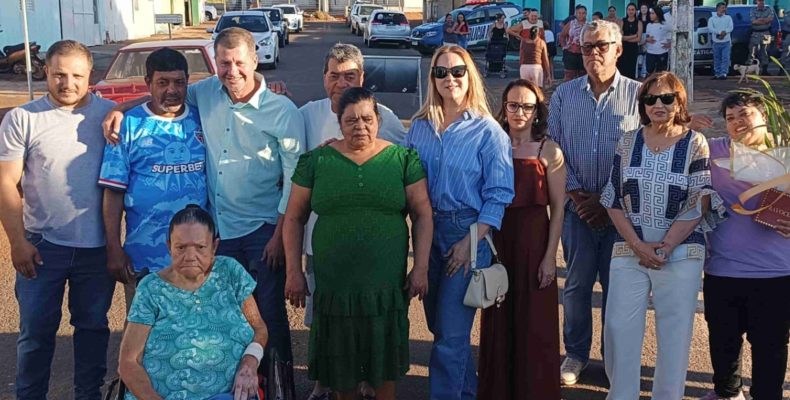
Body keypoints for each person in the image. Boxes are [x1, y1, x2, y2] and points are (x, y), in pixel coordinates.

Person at [103, 27, 306, 382]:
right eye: (224, 63)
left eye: (239, 62)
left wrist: (279, 238)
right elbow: (164, 96)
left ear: (255, 60)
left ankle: (278, 384)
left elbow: (294, 180)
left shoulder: (282, 111)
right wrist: (121, 108)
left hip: (262, 229)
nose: (232, 71)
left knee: (269, 314)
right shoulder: (207, 92)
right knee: (221, 315)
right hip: (217, 234)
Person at [283, 88, 433, 400]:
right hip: (335, 286)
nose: (359, 125)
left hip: (385, 284)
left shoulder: (403, 159)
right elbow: (294, 217)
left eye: (367, 118)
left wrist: (420, 267)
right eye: (350, 120)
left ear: (379, 120)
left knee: (384, 367)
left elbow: (422, 214)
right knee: (342, 369)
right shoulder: (315, 161)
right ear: (339, 123)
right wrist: (293, 271)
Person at [0, 40, 116, 400]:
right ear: (45, 72)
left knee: (93, 329)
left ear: (90, 75)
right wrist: (18, 242)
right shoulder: (23, 118)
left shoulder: (110, 114)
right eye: (60, 74)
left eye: (77, 75)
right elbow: (6, 181)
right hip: (41, 246)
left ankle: (88, 395)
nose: (68, 83)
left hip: (96, 250)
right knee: (35, 333)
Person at [601, 71, 726, 400]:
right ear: (642, 104)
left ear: (679, 102)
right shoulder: (628, 141)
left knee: (674, 333)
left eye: (666, 98)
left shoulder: (694, 142)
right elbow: (613, 199)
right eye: (651, 98)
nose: (658, 104)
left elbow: (700, 198)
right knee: (618, 328)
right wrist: (639, 246)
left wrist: (667, 245)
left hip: (681, 252)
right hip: (630, 248)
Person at [298, 42, 407, 400]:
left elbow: (400, 167)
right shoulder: (306, 114)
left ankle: (367, 378)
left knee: (373, 321)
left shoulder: (385, 117)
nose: (341, 83)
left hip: (378, 252)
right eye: (334, 75)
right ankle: (324, 381)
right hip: (322, 240)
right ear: (324, 77)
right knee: (325, 316)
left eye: (350, 76)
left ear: (361, 77)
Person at [407, 45, 514, 400]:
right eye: (441, 72)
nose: (449, 78)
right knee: (441, 330)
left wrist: (471, 242)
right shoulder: (419, 128)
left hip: (466, 232)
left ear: (469, 76)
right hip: (426, 232)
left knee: (452, 337)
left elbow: (499, 194)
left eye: (457, 71)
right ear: (432, 78)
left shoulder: (488, 132)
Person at [119, 205, 269, 399]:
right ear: (169, 246)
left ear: (214, 246)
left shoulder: (230, 271)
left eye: (200, 247)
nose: (190, 257)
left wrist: (250, 361)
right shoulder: (151, 288)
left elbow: (260, 329)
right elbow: (128, 362)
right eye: (181, 248)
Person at [478, 79, 566, 400]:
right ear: (504, 107)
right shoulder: (491, 144)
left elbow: (558, 210)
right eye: (513, 105)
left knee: (534, 323)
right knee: (498, 317)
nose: (519, 112)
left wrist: (549, 258)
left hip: (533, 243)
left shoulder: (549, 150)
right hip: (497, 241)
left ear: (537, 111)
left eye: (527, 106)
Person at [100, 48, 207, 311]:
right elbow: (113, 193)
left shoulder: (203, 118)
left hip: (198, 259)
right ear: (148, 83)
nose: (172, 90)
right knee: (142, 338)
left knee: (195, 336)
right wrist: (113, 247)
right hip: (144, 259)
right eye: (163, 82)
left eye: (179, 82)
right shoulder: (127, 125)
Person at [699, 93, 790, 400]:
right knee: (723, 340)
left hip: (776, 273)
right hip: (723, 268)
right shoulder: (713, 152)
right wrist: (685, 123)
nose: (738, 122)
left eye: (745, 114)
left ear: (764, 116)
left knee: (771, 345)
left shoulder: (786, 155)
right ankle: (727, 393)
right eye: (731, 118)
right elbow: (670, 145)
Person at [559, 5, 588, 80]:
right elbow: (562, 36)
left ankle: (581, 91)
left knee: (583, 76)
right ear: (576, 13)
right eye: (579, 13)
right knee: (569, 75)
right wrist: (564, 47)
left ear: (586, 14)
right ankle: (567, 91)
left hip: (583, 54)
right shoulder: (570, 24)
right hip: (570, 53)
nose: (581, 15)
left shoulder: (589, 25)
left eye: (583, 13)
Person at [618, 3, 643, 79]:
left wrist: (626, 38)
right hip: (623, 49)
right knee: (622, 68)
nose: (631, 11)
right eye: (629, 9)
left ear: (635, 11)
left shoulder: (639, 22)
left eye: (632, 9)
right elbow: (620, 37)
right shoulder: (622, 21)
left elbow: (638, 39)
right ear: (626, 11)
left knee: (631, 68)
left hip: (633, 49)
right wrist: (634, 36)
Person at [749, 0, 775, 75]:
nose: (761, 3)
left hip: (766, 33)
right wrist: (764, 20)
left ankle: (765, 70)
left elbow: (770, 19)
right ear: (756, 2)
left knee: (765, 52)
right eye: (759, 1)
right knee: (752, 52)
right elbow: (753, 21)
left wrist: (759, 20)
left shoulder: (769, 9)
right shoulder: (753, 10)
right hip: (755, 33)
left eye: (762, 1)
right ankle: (751, 70)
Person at [709, 3, 733, 80]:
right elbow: (710, 28)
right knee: (717, 58)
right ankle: (717, 73)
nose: (724, 9)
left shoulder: (728, 18)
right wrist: (719, 32)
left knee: (725, 57)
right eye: (722, 8)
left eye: (724, 8)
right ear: (718, 8)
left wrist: (724, 32)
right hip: (716, 41)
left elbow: (731, 27)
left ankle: (724, 73)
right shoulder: (712, 19)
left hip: (726, 41)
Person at [644, 6, 671, 73]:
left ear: (658, 14)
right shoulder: (649, 25)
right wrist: (647, 39)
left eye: (653, 13)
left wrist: (670, 44)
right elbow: (647, 37)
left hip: (662, 52)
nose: (651, 15)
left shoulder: (665, 25)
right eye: (650, 13)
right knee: (649, 70)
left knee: (661, 73)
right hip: (650, 52)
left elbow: (676, 32)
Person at [637, 3, 651, 78]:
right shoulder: (637, 19)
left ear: (647, 9)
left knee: (646, 55)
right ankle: (638, 72)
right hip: (639, 36)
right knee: (640, 55)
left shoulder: (650, 18)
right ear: (640, 10)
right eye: (642, 8)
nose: (643, 9)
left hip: (648, 36)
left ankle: (644, 72)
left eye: (645, 8)